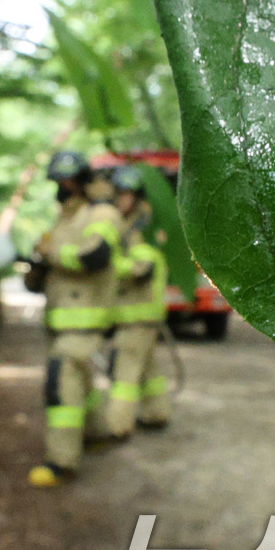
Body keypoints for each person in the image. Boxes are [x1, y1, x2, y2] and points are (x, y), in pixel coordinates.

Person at [25, 150, 122, 487]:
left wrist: (51, 253)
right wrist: (36, 266)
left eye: (65, 180)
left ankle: (61, 461)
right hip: (60, 320)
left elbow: (96, 257)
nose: (60, 187)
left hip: (87, 320)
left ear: (81, 181)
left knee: (61, 377)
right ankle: (97, 434)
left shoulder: (102, 214)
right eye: (56, 181)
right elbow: (54, 266)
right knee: (79, 378)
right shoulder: (62, 220)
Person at [106, 165, 171, 436]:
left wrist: (106, 263)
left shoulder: (140, 229)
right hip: (144, 316)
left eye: (124, 194)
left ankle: (116, 426)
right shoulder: (140, 225)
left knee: (125, 374)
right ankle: (157, 412)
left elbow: (141, 269)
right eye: (117, 194)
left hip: (135, 316)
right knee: (148, 368)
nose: (118, 200)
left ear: (137, 197)